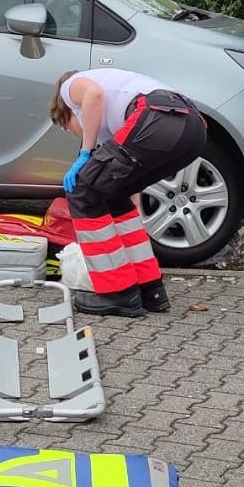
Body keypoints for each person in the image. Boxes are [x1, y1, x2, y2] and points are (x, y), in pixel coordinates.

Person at [49, 68, 207, 317]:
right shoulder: (117, 121)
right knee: (110, 194)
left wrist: (85, 153)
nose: (73, 132)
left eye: (66, 126)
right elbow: (125, 188)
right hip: (194, 129)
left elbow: (94, 94)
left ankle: (118, 293)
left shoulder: (69, 87)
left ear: (67, 111)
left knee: (83, 190)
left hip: (157, 117)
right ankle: (149, 290)